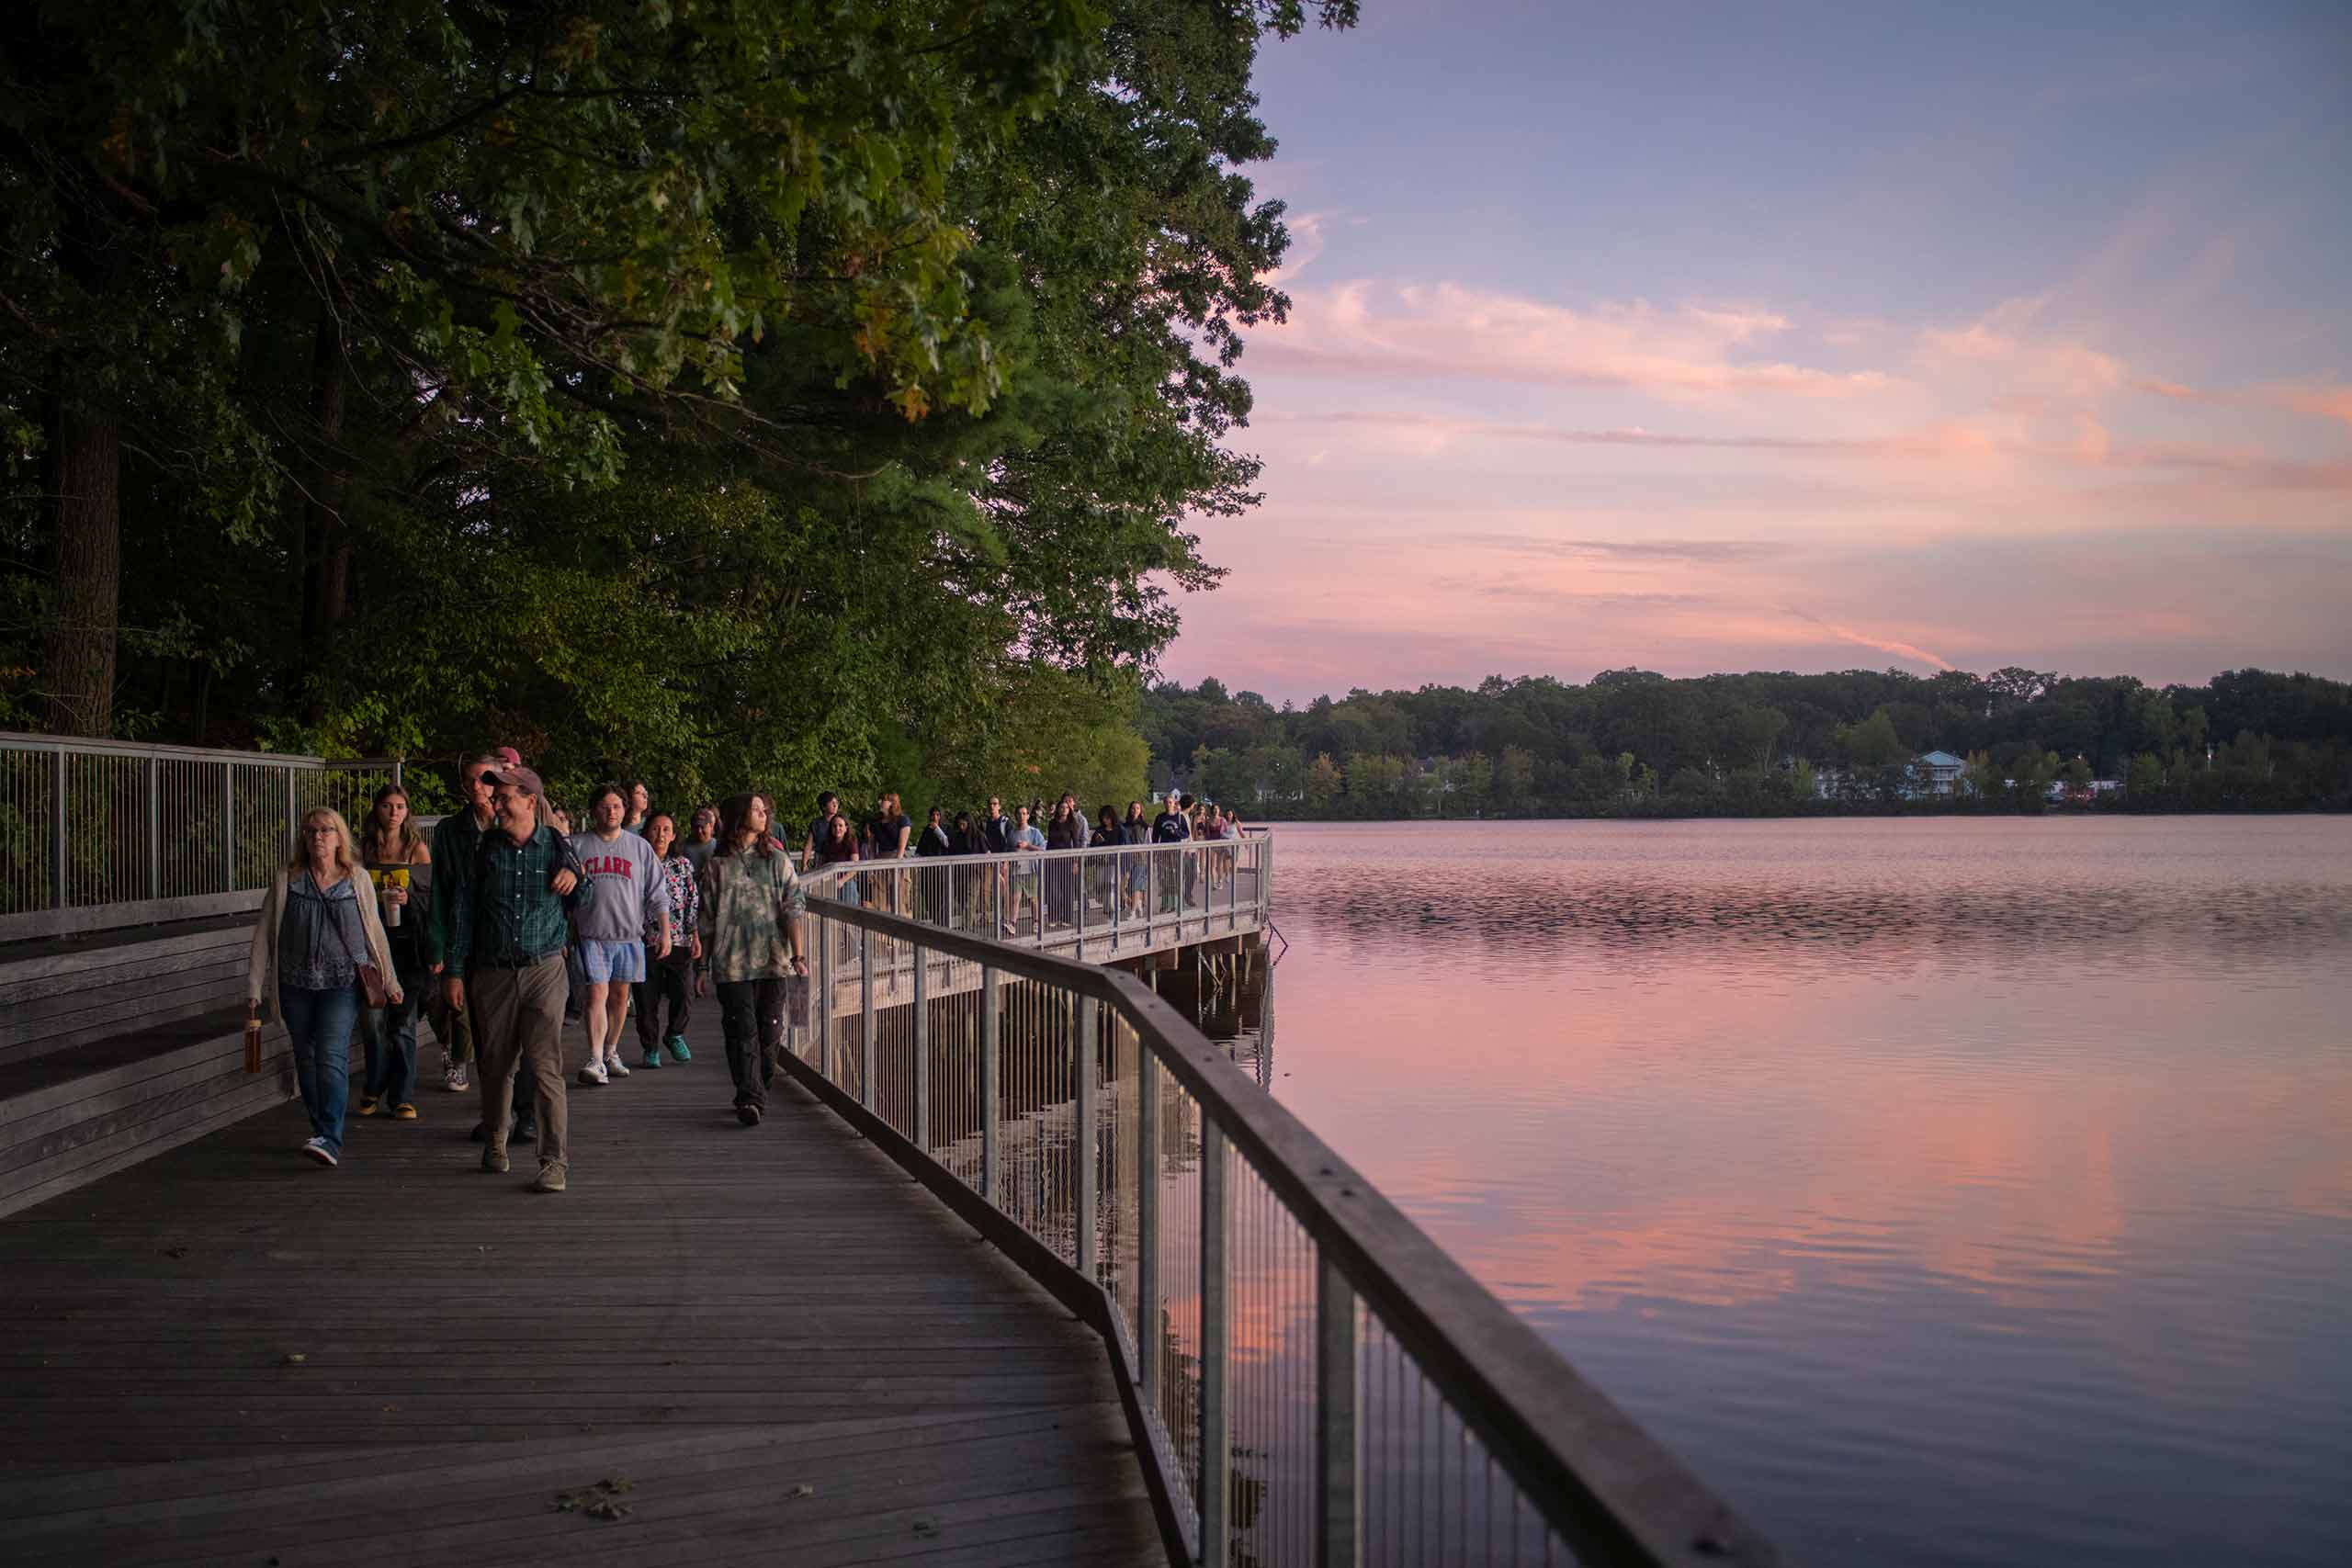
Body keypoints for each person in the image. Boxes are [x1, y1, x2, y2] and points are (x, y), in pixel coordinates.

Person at [442, 764, 593, 1193]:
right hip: (491, 972)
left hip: (545, 970)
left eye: (506, 797)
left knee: (546, 1068)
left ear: (530, 801)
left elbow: (589, 897)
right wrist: (453, 971)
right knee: (495, 1067)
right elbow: (463, 911)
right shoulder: (484, 849)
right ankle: (495, 1138)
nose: (497, 803)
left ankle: (553, 1162)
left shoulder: (557, 845)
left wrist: (575, 877)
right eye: (496, 796)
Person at [246, 807, 403, 1167]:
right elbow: (263, 933)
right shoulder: (288, 879)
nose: (318, 837)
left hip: (341, 984)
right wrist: (254, 988)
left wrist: (391, 980)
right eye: (312, 831)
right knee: (306, 1058)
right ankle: (320, 1128)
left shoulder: (357, 878)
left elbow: (374, 934)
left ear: (340, 838)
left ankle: (331, 1136)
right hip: (295, 984)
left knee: (331, 1057)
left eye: (327, 830)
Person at [427, 754, 531, 1142]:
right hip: (466, 937)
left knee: (522, 1029)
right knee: (484, 1030)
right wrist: (438, 947)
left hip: (515, 939)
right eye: (470, 781)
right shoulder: (451, 831)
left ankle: (525, 1113)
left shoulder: (521, 820)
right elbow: (440, 890)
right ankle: (496, 1116)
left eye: (484, 781)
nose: (477, 789)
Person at [699, 792, 809, 1127]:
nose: (764, 815)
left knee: (770, 1032)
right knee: (741, 1029)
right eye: (756, 809)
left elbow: (793, 908)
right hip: (731, 963)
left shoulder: (777, 861)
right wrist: (701, 966)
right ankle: (749, 1098)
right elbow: (705, 920)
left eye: (765, 810)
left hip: (773, 960)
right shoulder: (717, 866)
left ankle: (757, 1087)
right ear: (739, 816)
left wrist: (799, 955)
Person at [569, 783, 673, 1086]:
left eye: (616, 806)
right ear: (593, 810)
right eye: (604, 806)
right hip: (592, 934)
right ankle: (595, 1058)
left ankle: (611, 1051)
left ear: (625, 810)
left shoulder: (639, 847)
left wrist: (665, 931)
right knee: (596, 994)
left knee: (620, 997)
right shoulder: (577, 845)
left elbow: (657, 891)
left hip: (629, 935)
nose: (611, 811)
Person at [356, 784, 434, 1122]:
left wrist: (409, 898)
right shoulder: (364, 849)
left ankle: (401, 1095)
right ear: (377, 809)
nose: (393, 813)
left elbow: (431, 898)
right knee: (373, 1022)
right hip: (371, 945)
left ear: (407, 812)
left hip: (408, 945)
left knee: (402, 1023)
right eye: (387, 806)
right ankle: (373, 1086)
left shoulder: (417, 849)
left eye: (400, 806)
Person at [633, 811, 701, 1069]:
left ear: (673, 836)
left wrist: (694, 934)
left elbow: (692, 901)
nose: (660, 834)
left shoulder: (682, 864)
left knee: (684, 992)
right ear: (646, 833)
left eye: (666, 830)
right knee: (646, 997)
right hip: (644, 939)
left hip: (679, 938)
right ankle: (650, 1047)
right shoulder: (637, 863)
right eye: (655, 829)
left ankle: (675, 1033)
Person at [1045, 795, 1085, 926]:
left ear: (1069, 809)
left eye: (1066, 807)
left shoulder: (1073, 823)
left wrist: (1076, 862)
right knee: (1053, 889)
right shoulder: (1052, 823)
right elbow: (1049, 842)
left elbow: (1077, 844)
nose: (1064, 809)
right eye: (1061, 807)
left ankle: (1067, 918)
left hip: (1068, 860)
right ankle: (1053, 917)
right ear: (1058, 809)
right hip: (1053, 860)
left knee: (1067, 889)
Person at [1006, 803, 1046, 934]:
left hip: (1031, 869)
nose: (1021, 816)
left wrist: (1028, 846)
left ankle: (1036, 922)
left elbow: (1043, 849)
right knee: (1015, 897)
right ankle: (1012, 924)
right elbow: (1007, 850)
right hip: (1016, 870)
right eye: (1019, 814)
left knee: (1033, 898)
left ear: (1028, 816)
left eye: (1024, 813)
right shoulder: (1012, 833)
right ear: (1015, 816)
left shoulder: (1035, 832)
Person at [1122, 799, 1151, 917]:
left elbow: (1148, 842)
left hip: (1140, 858)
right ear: (1130, 810)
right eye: (1133, 808)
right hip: (1127, 858)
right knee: (1126, 885)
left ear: (1141, 811)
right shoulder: (1124, 826)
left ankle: (1133, 912)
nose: (1135, 810)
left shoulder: (1144, 826)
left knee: (1135, 884)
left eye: (1138, 808)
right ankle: (1138, 903)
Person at [800, 791, 842, 871]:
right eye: (832, 803)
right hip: (820, 860)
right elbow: (809, 845)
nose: (835, 805)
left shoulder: (841, 822)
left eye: (836, 802)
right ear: (824, 806)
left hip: (837, 859)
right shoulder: (816, 824)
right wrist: (804, 863)